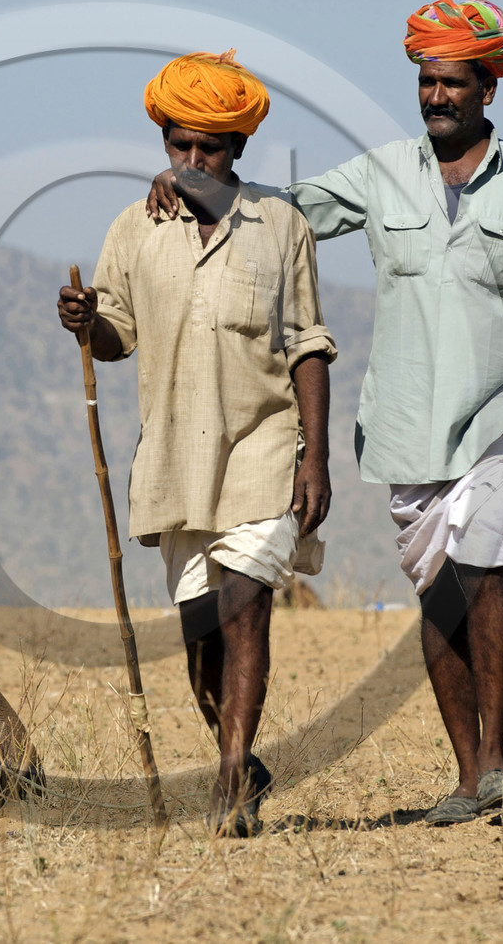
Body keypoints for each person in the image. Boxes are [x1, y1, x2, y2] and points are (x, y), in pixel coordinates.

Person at [146, 0, 503, 825]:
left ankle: (497, 758)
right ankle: (466, 777)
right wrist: (197, 181)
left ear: (487, 88)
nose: (436, 96)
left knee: (485, 565)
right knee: (439, 590)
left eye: (452, 82)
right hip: (406, 417)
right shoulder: (382, 173)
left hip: (500, 409)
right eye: (426, 81)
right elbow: (286, 209)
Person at [57, 50, 336, 837]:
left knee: (248, 606)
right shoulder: (135, 228)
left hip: (262, 445)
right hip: (176, 457)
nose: (191, 160)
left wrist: (315, 456)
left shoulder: (281, 226)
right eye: (178, 144)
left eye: (208, 147)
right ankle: (238, 756)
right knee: (201, 640)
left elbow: (308, 344)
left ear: (237, 147)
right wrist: (86, 321)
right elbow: (116, 338)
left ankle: (230, 777)